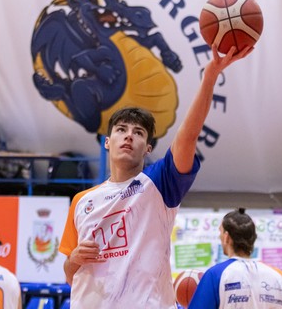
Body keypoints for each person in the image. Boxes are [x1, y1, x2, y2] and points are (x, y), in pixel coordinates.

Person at [59, 44, 253, 308]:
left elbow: (187, 137)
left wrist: (210, 77)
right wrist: (74, 259)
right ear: (107, 141)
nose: (129, 136)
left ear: (148, 148)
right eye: (121, 130)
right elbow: (70, 275)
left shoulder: (159, 183)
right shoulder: (82, 201)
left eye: (138, 133)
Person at [189, 208, 282, 309]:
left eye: (220, 232)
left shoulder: (216, 274)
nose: (219, 237)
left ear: (226, 237)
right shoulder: (279, 276)